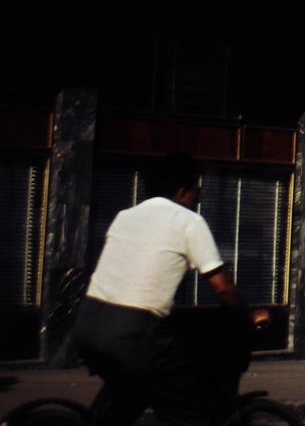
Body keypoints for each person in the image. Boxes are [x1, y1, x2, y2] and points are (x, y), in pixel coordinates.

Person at [73, 152, 269, 426]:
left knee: (127, 402)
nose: (198, 199)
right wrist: (247, 316)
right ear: (181, 192)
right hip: (135, 334)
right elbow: (222, 288)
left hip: (88, 327)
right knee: (189, 414)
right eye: (196, 192)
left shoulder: (125, 216)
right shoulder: (188, 221)